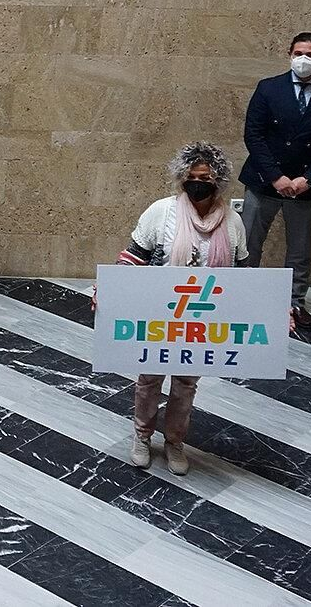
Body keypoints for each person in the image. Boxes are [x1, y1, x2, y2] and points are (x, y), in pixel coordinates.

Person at [116, 142, 248, 476]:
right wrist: (111, 289)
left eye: (205, 177)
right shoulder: (162, 212)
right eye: (192, 176)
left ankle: (175, 441)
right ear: (182, 177)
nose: (197, 183)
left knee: (186, 383)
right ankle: (142, 436)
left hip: (202, 319)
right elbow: (133, 256)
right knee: (149, 378)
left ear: (218, 180)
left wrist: (271, 309)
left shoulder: (233, 222)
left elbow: (244, 275)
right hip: (161, 314)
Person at [238, 32, 311, 332]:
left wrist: (309, 178)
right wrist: (276, 176)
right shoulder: (268, 88)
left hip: (305, 186)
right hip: (263, 181)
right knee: (249, 243)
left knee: (299, 249)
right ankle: (242, 297)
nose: (304, 59)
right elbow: (253, 134)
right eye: (299, 53)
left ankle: (295, 301)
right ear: (289, 54)